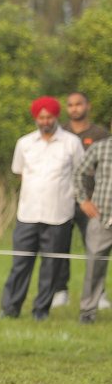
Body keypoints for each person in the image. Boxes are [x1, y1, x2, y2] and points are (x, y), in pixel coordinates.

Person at [0, 97, 85, 320]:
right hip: (27, 214)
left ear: (56, 117)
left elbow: (81, 174)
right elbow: (20, 172)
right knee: (20, 264)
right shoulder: (24, 143)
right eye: (41, 117)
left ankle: (41, 310)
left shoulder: (72, 143)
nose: (45, 121)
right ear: (36, 118)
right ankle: (10, 309)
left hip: (59, 215)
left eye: (49, 117)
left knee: (51, 266)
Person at [59, 90, 111, 310]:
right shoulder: (61, 131)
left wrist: (87, 199)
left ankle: (99, 295)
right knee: (60, 246)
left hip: (94, 204)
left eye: (78, 104)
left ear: (87, 106)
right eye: (70, 105)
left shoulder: (100, 134)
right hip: (64, 199)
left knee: (95, 252)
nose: (74, 108)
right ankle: (60, 290)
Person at [72, 131, 112, 323]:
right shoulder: (100, 147)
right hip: (100, 217)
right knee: (94, 267)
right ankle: (87, 312)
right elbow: (78, 173)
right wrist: (83, 200)